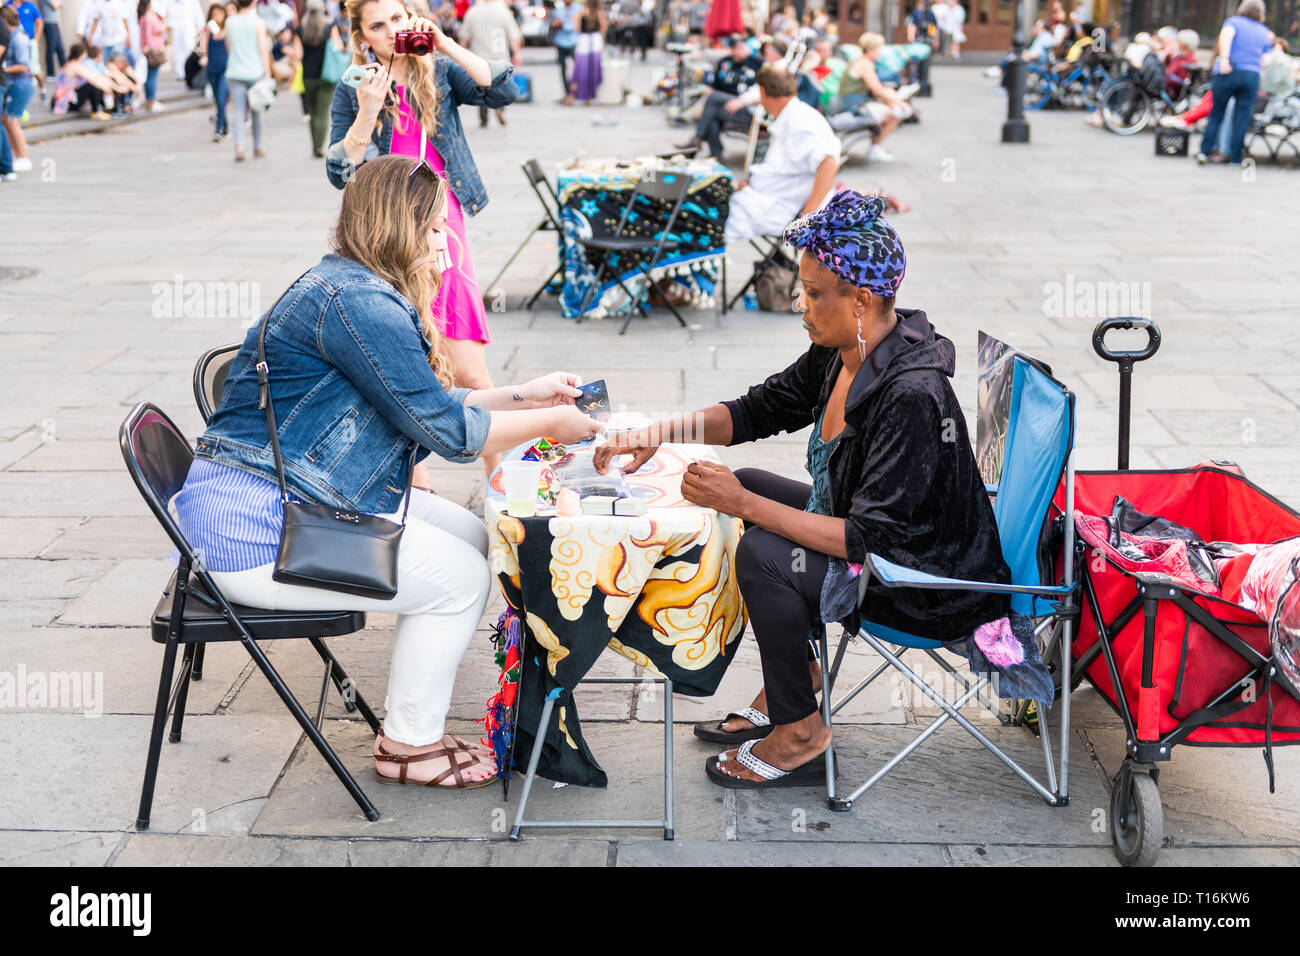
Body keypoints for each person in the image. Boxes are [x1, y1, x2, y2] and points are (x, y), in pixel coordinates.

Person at [175, 155, 604, 789]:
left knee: (472, 537)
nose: (442, 245)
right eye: (433, 229)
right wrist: (549, 425)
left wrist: (527, 395)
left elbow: (424, 406)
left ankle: (415, 719)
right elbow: (447, 434)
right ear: (398, 226)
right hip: (256, 532)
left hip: (289, 496)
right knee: (459, 577)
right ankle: (409, 747)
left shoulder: (350, 286)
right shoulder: (360, 304)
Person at [594, 189, 1010, 787]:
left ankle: (800, 735)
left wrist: (741, 506)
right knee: (749, 485)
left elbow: (867, 539)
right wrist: (659, 432)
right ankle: (801, 681)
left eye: (813, 294)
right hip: (876, 545)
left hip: (923, 581)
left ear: (861, 300)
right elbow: (758, 410)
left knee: (763, 552)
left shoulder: (913, 395)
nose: (800, 304)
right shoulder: (843, 351)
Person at [327, 0, 517, 477]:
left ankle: (506, 488)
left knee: (470, 370)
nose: (391, 31)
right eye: (377, 25)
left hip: (442, 229)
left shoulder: (442, 72)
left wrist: (445, 41)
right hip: (386, 238)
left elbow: (504, 90)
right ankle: (417, 493)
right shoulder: (355, 90)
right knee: (401, 372)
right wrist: (368, 111)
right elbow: (339, 172)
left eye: (397, 19)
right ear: (362, 37)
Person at [724, 64, 839, 245]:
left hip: (779, 209)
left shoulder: (801, 120)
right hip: (769, 200)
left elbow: (829, 163)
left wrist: (808, 216)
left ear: (763, 92)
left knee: (712, 213)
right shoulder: (792, 115)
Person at [1198, 0, 1274, 165]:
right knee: (1242, 118)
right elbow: (1266, 61)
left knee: (1217, 113)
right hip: (1251, 75)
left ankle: (1204, 152)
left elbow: (1225, 38)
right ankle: (1235, 157)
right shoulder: (1265, 32)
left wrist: (1224, 59)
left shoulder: (1233, 23)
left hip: (1229, 71)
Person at [830, 33, 913, 162]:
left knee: (892, 106)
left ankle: (876, 147)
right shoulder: (865, 64)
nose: (880, 53)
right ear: (871, 50)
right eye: (878, 49)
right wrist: (900, 103)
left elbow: (877, 89)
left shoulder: (860, 61)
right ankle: (875, 147)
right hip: (854, 106)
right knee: (896, 113)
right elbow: (877, 89)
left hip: (853, 103)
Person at [674, 34, 759, 154]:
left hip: (743, 106)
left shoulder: (757, 63)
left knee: (710, 106)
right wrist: (704, 105)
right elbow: (712, 86)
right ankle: (715, 152)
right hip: (722, 103)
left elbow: (760, 93)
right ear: (731, 49)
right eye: (736, 47)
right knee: (710, 113)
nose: (740, 50)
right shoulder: (725, 62)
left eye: (742, 46)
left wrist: (742, 101)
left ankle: (697, 140)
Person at [457, 0, 520, 126]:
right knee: (502, 85)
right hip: (500, 57)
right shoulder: (503, 11)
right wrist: (517, 53)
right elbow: (514, 35)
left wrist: (459, 55)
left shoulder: (472, 12)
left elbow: (463, 37)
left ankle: (483, 117)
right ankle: (500, 108)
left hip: (480, 58)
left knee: (482, 87)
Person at [224, 0, 272, 161]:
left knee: (238, 110)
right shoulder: (258, 23)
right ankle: (257, 146)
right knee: (256, 110)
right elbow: (262, 49)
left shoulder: (229, 22)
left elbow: (228, 47)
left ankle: (239, 147)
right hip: (254, 71)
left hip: (235, 70)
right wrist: (267, 71)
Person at [294, 0, 342, 156]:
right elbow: (339, 46)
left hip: (308, 76)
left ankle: (314, 144)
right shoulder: (329, 27)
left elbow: (298, 54)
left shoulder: (300, 29)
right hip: (326, 75)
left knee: (313, 111)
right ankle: (319, 146)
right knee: (322, 112)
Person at [1, 4, 34, 171]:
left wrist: (3, 69)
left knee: (12, 121)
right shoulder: (14, 36)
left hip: (20, 84)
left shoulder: (18, 38)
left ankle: (22, 156)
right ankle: (18, 155)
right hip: (15, 84)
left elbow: (23, 65)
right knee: (8, 120)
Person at [50, 39, 114, 116]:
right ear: (82, 54)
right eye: (86, 53)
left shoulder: (73, 64)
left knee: (95, 84)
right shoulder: (74, 66)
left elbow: (95, 76)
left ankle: (99, 109)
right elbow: (91, 78)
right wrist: (107, 88)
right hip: (64, 102)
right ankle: (96, 111)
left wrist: (107, 85)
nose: (87, 55)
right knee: (91, 85)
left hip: (62, 100)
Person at [197, 2, 228, 140]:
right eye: (215, 15)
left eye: (220, 14)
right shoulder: (208, 29)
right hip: (212, 69)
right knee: (217, 99)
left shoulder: (228, 29)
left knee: (221, 99)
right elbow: (203, 49)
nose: (217, 17)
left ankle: (219, 129)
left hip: (225, 69)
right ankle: (225, 125)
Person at [569, 0, 603, 104]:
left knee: (579, 71)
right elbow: (603, 28)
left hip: (584, 43)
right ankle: (589, 97)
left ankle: (572, 96)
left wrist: (574, 19)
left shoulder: (582, 12)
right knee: (593, 70)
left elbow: (576, 28)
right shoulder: (599, 13)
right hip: (595, 42)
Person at [137, 0, 166, 110]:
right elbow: (149, 34)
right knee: (152, 77)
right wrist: (153, 49)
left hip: (149, 49)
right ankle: (151, 100)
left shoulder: (143, 16)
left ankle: (150, 100)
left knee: (150, 76)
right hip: (153, 50)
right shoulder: (148, 17)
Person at [551, 0, 577, 101]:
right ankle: (567, 93)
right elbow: (553, 24)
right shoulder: (558, 10)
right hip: (560, 42)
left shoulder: (578, 9)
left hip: (573, 42)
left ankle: (576, 92)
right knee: (563, 69)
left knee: (577, 69)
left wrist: (563, 24)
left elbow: (575, 26)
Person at [40, 0, 64, 77]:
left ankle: (66, 71)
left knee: (60, 49)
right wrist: (59, 3)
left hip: (54, 23)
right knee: (51, 48)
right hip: (49, 23)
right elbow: (56, 6)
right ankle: (50, 73)